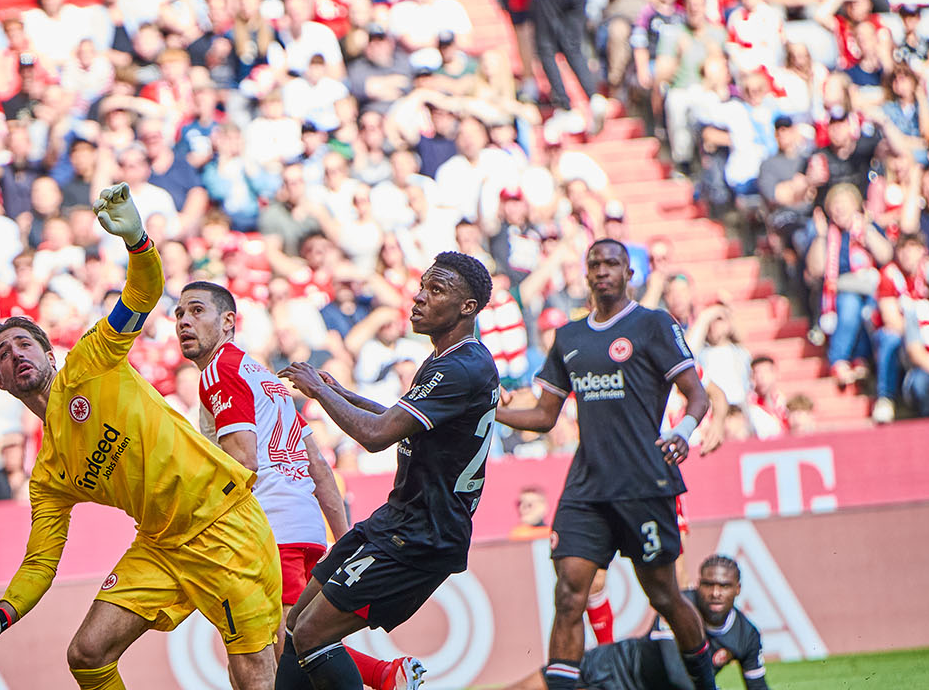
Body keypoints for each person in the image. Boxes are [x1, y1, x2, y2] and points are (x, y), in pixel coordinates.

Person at [0, 185, 282, 690]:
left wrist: (138, 240)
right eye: (4, 355)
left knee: (255, 675)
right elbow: (40, 561)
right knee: (88, 654)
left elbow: (142, 295)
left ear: (48, 355)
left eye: (24, 342)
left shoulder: (91, 360)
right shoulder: (49, 473)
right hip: (162, 546)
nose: (16, 353)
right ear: (2, 382)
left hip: (223, 524)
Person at [496, 238, 723, 690]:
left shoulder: (654, 324)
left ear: (629, 273)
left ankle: (706, 684)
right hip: (587, 487)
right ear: (585, 273)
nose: (602, 271)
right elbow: (544, 416)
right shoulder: (570, 336)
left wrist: (682, 432)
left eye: (612, 264)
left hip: (645, 480)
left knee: (665, 595)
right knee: (568, 595)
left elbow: (695, 393)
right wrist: (490, 410)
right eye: (594, 264)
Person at [176, 281, 421, 690]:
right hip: (305, 527)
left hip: (269, 530)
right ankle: (383, 675)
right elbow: (318, 465)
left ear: (228, 322)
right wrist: (342, 538)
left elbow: (243, 461)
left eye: (197, 311)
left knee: (284, 644)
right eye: (179, 314)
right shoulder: (266, 378)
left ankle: (384, 676)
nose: (184, 321)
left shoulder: (221, 371)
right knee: (288, 644)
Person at [275, 251, 499, 690]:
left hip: (423, 534)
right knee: (295, 624)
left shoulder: (459, 366)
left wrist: (320, 392)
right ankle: (388, 679)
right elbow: (399, 420)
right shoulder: (450, 358)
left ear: (467, 307)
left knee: (312, 636)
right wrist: (345, 394)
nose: (418, 298)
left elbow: (377, 436)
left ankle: (390, 680)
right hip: (398, 520)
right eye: (422, 286)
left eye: (436, 291)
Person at [497, 556, 769, 690]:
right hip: (613, 665)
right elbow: (674, 672)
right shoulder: (680, 608)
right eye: (708, 584)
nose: (715, 593)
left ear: (738, 589)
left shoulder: (746, 635)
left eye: (724, 585)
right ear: (698, 586)